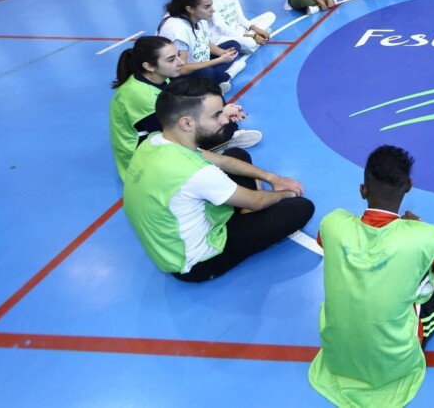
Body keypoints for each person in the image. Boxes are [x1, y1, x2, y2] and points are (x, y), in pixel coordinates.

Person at [309, 145, 434, 407]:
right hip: (393, 365)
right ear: (408, 186)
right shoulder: (424, 236)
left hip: (337, 360)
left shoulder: (332, 223)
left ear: (363, 190)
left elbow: (329, 246)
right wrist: (415, 229)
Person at [123, 78, 313, 282]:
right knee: (301, 208)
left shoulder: (154, 141)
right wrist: (285, 193)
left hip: (171, 245)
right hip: (198, 264)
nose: (224, 120)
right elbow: (257, 201)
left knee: (236, 154)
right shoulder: (195, 172)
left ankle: (244, 212)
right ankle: (244, 217)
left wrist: (272, 178)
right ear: (187, 123)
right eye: (216, 115)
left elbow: (223, 161)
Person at [109, 37, 261, 179]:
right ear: (149, 66)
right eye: (171, 59)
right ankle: (222, 142)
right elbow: (174, 133)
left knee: (211, 99)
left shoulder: (158, 77)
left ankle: (221, 138)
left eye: (178, 55)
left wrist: (220, 113)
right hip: (143, 161)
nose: (181, 62)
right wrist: (221, 116)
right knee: (222, 130)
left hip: (160, 130)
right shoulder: (142, 96)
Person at [157, 0, 243, 92]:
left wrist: (223, 53)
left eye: (211, 5)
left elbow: (204, 42)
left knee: (234, 45)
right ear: (190, 9)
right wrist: (219, 60)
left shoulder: (200, 18)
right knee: (207, 73)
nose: (213, 10)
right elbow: (181, 69)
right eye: (207, 7)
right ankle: (229, 74)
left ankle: (215, 79)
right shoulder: (177, 30)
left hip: (200, 64)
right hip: (180, 74)